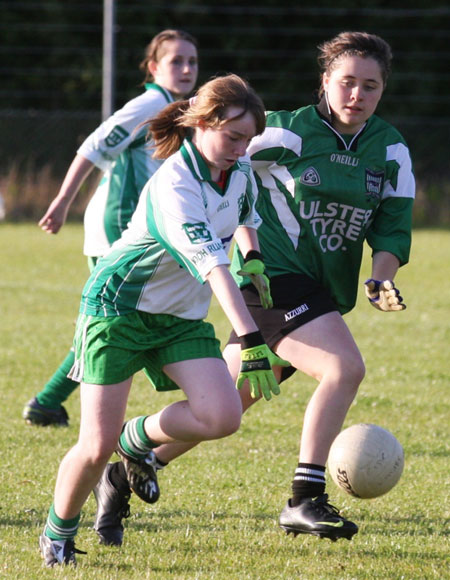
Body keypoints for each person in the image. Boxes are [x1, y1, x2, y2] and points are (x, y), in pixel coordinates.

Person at [93, 31, 415, 545]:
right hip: (274, 281)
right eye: (347, 82)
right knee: (344, 368)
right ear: (326, 82)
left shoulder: (391, 149)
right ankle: (305, 498)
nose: (357, 95)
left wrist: (382, 276)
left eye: (370, 86)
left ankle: (132, 456)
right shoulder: (287, 133)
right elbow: (216, 145)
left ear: (383, 89)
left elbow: (392, 226)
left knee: (224, 405)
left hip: (321, 292)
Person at [38, 73, 290, 568]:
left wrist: (254, 257)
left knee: (222, 416)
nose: (241, 149)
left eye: (247, 140)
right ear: (201, 124)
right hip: (118, 311)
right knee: (94, 445)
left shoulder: (236, 173)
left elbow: (245, 217)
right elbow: (215, 269)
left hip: (178, 317)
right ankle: (57, 533)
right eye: (232, 137)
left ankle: (137, 441)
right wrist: (252, 340)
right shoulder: (176, 183)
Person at [23, 29, 199, 426]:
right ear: (154, 68)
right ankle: (56, 405)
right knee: (116, 320)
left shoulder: (179, 106)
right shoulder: (150, 103)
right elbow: (94, 145)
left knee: (116, 319)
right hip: (117, 227)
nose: (187, 68)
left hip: (140, 230)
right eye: (176, 61)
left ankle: (48, 402)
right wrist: (62, 201)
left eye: (193, 61)